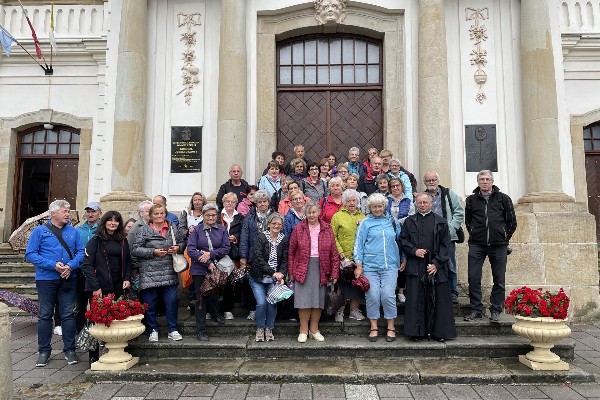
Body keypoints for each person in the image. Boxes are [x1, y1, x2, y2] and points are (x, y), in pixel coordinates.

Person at [26, 199, 84, 367]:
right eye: (64, 211)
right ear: (53, 213)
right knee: (45, 315)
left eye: (68, 211)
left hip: (68, 278)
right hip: (46, 279)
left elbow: (81, 252)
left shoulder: (73, 232)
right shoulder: (39, 231)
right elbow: (31, 254)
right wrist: (53, 265)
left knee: (67, 314)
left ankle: (70, 350)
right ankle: (43, 351)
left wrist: (71, 266)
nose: (68, 214)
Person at [401, 193, 457, 341]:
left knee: (439, 301)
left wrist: (437, 263)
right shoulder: (409, 221)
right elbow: (403, 240)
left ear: (431, 203)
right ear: (416, 204)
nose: (423, 205)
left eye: (425, 202)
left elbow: (446, 246)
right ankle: (417, 333)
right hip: (415, 267)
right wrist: (414, 251)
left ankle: (440, 333)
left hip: (436, 267)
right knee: (416, 300)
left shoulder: (441, 222)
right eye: (420, 203)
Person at [464, 170, 517, 322]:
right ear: (478, 181)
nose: (485, 182)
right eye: (482, 179)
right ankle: (476, 309)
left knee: (499, 279)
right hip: (477, 245)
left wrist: (504, 238)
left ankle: (496, 310)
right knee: (473, 278)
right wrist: (474, 233)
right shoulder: (471, 200)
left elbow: (512, 222)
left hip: (498, 245)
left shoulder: (503, 198)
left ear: (492, 181)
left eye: (487, 179)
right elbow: (468, 222)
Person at [80, 211, 132, 364]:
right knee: (97, 319)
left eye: (116, 221)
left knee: (115, 319)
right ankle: (93, 354)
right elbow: (87, 264)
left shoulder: (122, 240)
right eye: (110, 220)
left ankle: (113, 350)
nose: (113, 223)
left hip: (118, 286)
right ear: (104, 222)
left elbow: (128, 262)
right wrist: (95, 287)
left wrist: (127, 278)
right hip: (99, 286)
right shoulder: (96, 240)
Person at [132, 203, 186, 342]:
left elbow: (182, 242)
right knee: (150, 303)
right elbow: (136, 249)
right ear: (151, 216)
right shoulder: (143, 230)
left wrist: (177, 247)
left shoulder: (172, 228)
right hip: (149, 272)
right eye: (156, 214)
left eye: (162, 213)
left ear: (165, 214)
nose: (159, 216)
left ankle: (173, 329)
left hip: (168, 270)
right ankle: (152, 330)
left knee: (171, 301)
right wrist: (152, 251)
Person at [288, 202, 339, 343]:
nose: (311, 215)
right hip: (302, 267)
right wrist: (291, 272)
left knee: (318, 300)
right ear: (305, 213)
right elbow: (291, 252)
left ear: (319, 213)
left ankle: (314, 329)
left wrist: (335, 272)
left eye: (314, 212)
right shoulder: (298, 229)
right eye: (309, 212)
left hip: (322, 267)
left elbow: (334, 253)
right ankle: (303, 330)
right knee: (303, 300)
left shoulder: (327, 228)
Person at [353, 193, 401, 342]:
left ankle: (390, 327)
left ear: (384, 206)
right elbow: (358, 245)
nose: (377, 209)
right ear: (370, 208)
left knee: (388, 295)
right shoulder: (365, 223)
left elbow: (401, 241)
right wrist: (358, 265)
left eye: (380, 206)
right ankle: (373, 326)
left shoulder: (393, 221)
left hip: (390, 265)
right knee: (372, 295)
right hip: (370, 266)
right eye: (374, 206)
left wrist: (403, 259)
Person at [186, 204, 231, 341]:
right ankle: (201, 330)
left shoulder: (222, 230)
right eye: (207, 215)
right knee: (201, 299)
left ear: (217, 216)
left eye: (213, 215)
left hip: (218, 266)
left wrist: (210, 254)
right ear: (203, 216)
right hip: (200, 268)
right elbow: (191, 250)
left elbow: (226, 248)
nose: (211, 217)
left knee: (214, 294)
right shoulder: (196, 230)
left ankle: (215, 313)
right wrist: (207, 262)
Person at [423, 172, 464, 304]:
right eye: (428, 180)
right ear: (425, 183)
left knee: (450, 264)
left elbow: (459, 211)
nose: (431, 182)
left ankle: (452, 292)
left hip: (447, 236)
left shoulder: (448, 194)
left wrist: (451, 228)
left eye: (433, 180)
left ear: (438, 180)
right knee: (431, 264)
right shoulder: (423, 196)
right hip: (429, 236)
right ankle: (434, 291)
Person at [249, 213, 288, 342]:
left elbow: (285, 260)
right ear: (269, 224)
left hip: (274, 278)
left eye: (279, 224)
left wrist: (282, 273)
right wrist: (273, 272)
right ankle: (260, 328)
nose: (276, 226)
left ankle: (269, 328)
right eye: (274, 223)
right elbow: (258, 259)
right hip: (258, 277)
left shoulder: (283, 239)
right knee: (261, 303)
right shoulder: (261, 237)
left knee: (272, 303)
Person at [330, 189, 366, 322]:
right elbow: (332, 236)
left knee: (357, 284)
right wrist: (340, 252)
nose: (351, 203)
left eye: (354, 200)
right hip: (342, 257)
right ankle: (339, 311)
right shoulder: (337, 216)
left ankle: (353, 311)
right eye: (349, 200)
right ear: (344, 202)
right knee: (342, 286)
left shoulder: (362, 217)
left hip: (358, 257)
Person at [239, 190, 273, 320]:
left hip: (271, 255)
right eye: (260, 202)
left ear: (269, 202)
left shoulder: (274, 215)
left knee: (270, 283)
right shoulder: (250, 217)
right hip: (254, 256)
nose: (263, 204)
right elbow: (244, 236)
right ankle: (254, 309)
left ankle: (269, 311)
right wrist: (243, 255)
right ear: (256, 203)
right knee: (254, 283)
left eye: (265, 201)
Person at [386, 177, 415, 304]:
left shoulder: (408, 201)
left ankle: (401, 291)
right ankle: (390, 290)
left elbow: (411, 217)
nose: (396, 188)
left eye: (398, 186)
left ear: (402, 187)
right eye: (393, 186)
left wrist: (397, 222)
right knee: (391, 262)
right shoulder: (386, 200)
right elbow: (383, 215)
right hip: (389, 235)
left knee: (403, 262)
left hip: (404, 234)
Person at [74, 201, 102, 332]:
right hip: (80, 272)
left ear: (100, 213)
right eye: (88, 212)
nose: (90, 214)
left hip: (97, 272)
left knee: (96, 304)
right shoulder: (78, 230)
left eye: (93, 211)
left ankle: (95, 332)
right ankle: (80, 331)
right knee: (80, 304)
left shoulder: (102, 230)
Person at [178, 192, 206, 311]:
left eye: (200, 200)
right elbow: (181, 229)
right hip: (189, 247)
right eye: (195, 200)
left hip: (203, 247)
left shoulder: (206, 213)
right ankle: (191, 300)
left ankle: (200, 301)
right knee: (189, 274)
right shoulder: (186, 213)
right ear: (192, 201)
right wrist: (187, 231)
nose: (197, 202)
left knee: (201, 275)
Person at [218, 192, 244, 320]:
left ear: (236, 203)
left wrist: (236, 238)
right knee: (216, 281)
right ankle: (214, 309)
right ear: (223, 203)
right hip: (218, 253)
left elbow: (244, 233)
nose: (229, 203)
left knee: (229, 282)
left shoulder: (240, 218)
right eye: (227, 201)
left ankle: (227, 309)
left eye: (232, 201)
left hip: (233, 253)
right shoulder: (217, 216)